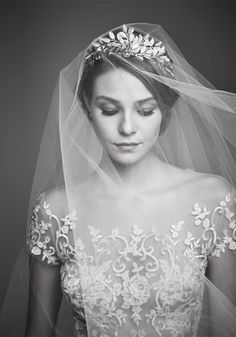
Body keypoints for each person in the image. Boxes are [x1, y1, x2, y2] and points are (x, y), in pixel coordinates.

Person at [1, 23, 236, 337]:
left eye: (145, 110)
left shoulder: (212, 201)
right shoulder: (55, 210)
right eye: (110, 110)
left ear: (165, 114)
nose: (127, 127)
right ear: (86, 109)